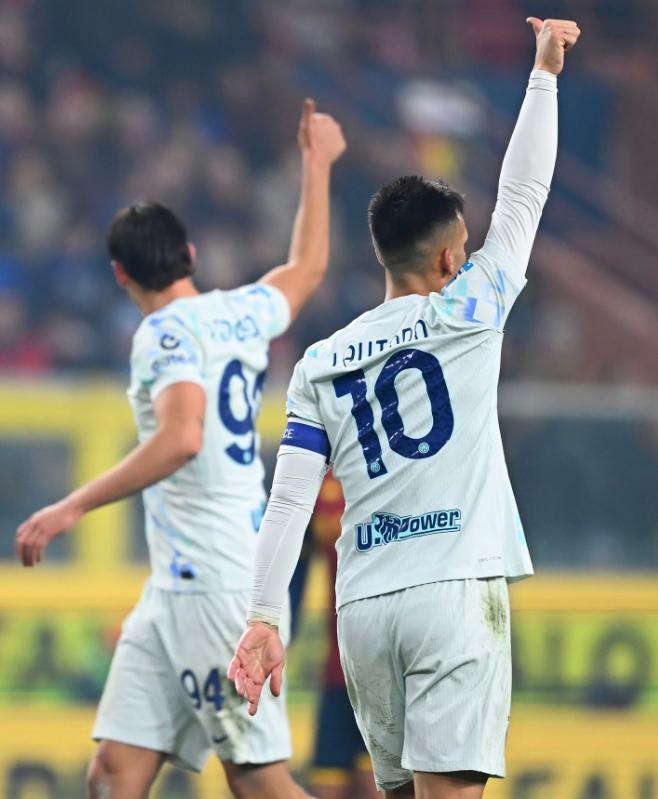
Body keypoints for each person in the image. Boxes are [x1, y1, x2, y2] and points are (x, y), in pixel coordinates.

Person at [228, 17, 580, 799]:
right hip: (452, 593)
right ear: (452, 256)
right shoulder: (472, 307)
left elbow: (287, 501)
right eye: (465, 248)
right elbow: (525, 194)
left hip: (363, 612)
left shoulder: (322, 361)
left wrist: (263, 617)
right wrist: (544, 75)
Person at [15, 99, 345, 799]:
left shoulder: (163, 334)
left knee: (258, 782)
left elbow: (182, 436)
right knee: (113, 771)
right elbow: (307, 268)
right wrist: (317, 164)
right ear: (189, 256)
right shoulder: (240, 310)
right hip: (175, 586)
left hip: (216, 584)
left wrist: (73, 505)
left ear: (120, 274)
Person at [307, 473, 378, 799]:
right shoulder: (314, 474)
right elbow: (294, 566)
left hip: (384, 664)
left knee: (377, 786)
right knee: (326, 787)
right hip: (336, 668)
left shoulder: (396, 462)